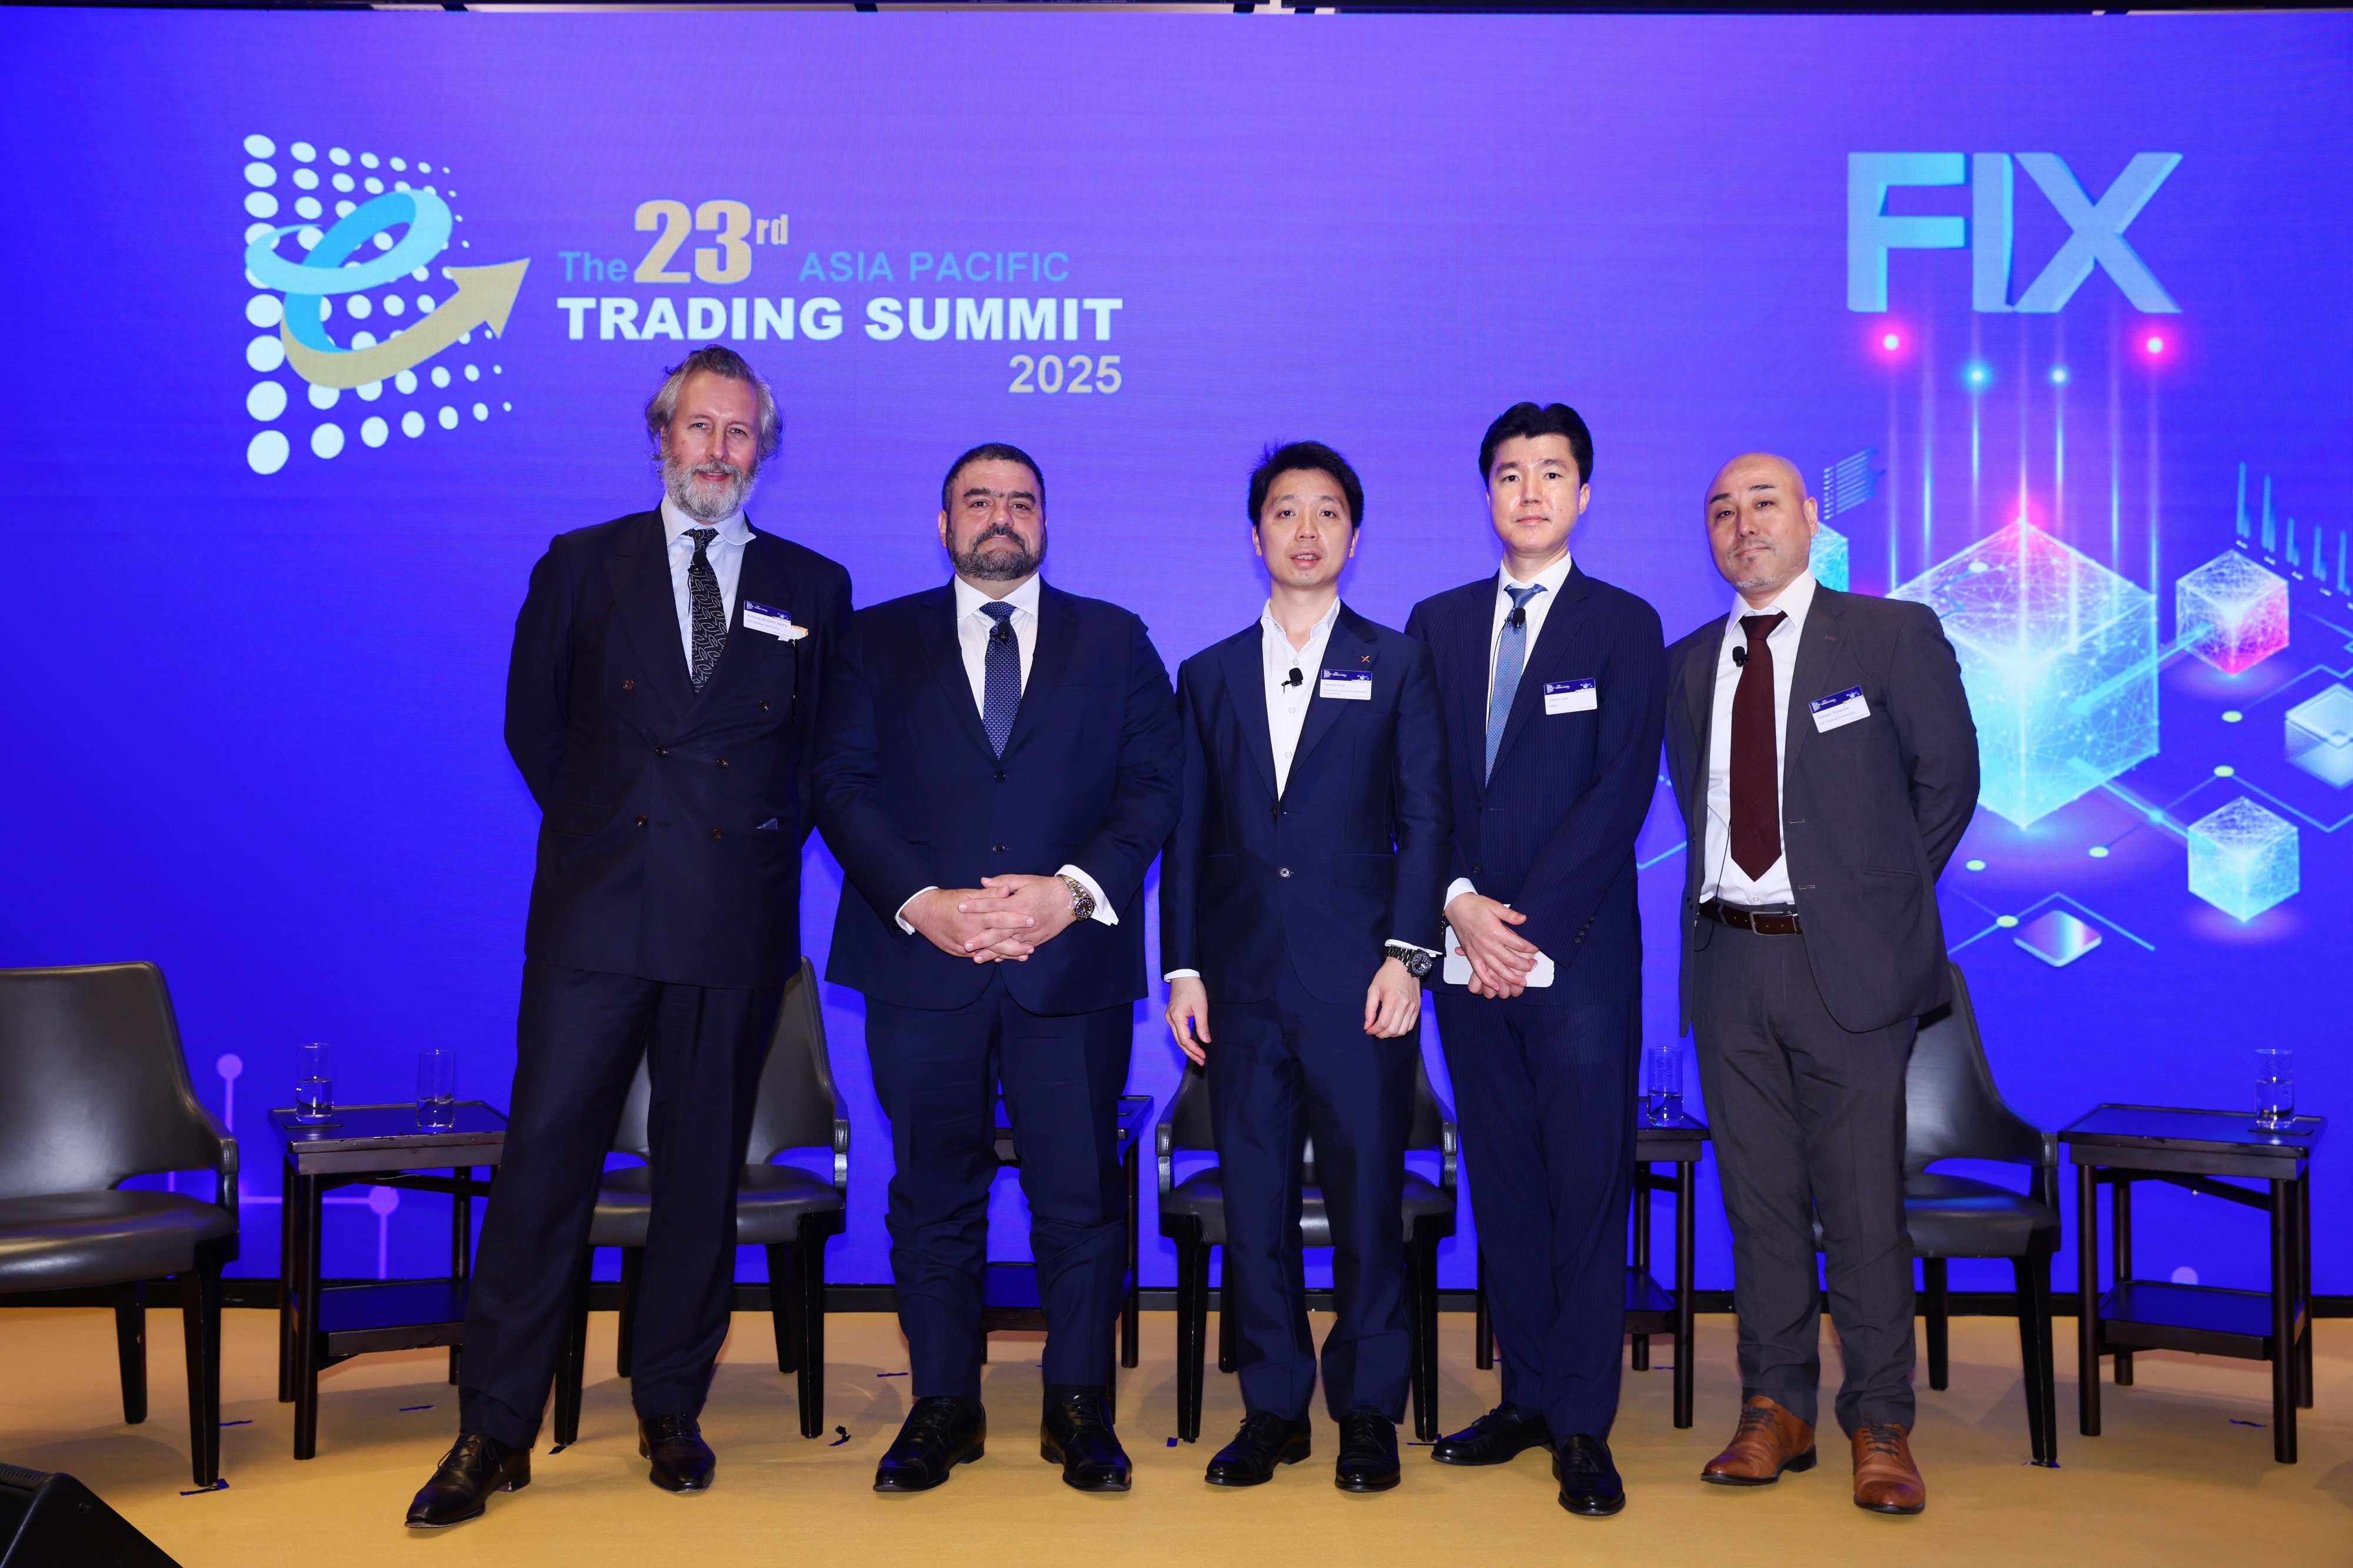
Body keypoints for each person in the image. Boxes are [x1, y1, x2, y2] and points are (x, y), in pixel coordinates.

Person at [407, 346, 854, 1527]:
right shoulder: (582, 563)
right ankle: (492, 1428)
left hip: (732, 920)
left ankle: (669, 1404)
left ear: (763, 450)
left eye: (740, 432)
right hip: (597, 914)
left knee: (700, 1176)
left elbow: (822, 759)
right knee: (545, 1168)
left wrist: (751, 843)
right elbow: (534, 725)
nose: (718, 450)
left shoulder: (814, 585)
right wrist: (610, 829)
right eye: (699, 426)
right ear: (662, 435)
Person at [814, 442, 1180, 1495]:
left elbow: (1156, 783)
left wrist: (1073, 890)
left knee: (1079, 1194)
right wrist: (921, 901)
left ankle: (1079, 1406)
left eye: (1021, 501)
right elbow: (839, 782)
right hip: (919, 963)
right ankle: (944, 1404)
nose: (1001, 517)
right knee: (933, 1192)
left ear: (1045, 522)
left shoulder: (1116, 639)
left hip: (1069, 966)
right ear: (944, 524)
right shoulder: (872, 639)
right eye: (979, 501)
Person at [1664, 452, 1977, 1516]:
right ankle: (1775, 1406)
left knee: (1861, 1205)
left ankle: (1880, 1420)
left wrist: (1868, 904)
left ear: (1809, 517)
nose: (1743, 523)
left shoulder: (1889, 634)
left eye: (1764, 503)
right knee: (1757, 1205)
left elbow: (1948, 781)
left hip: (1846, 965)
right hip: (1728, 961)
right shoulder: (1687, 663)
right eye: (1722, 510)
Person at [1160, 442, 1451, 1494]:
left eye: (1328, 511)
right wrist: (1183, 968)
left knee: (1369, 1201)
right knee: (1256, 1203)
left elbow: (1426, 820)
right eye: (1286, 511)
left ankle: (1367, 1408)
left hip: (1362, 981)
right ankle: (1274, 1407)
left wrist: (1409, 955)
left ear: (1354, 536)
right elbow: (1187, 835)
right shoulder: (1207, 674)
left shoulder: (1398, 661)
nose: (1307, 530)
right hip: (1239, 987)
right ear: (1256, 535)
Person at [1402, 402, 1666, 1519]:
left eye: (1552, 473)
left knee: (1585, 1189)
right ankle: (1525, 1395)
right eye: (1510, 473)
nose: (1530, 492)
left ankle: (1584, 1423)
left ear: (1584, 494)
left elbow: (1620, 794)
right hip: (1466, 954)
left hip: (1580, 960)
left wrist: (1524, 929)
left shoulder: (1625, 624)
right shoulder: (1437, 623)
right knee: (1504, 1184)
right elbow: (1416, 787)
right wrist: (1461, 907)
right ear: (1488, 493)